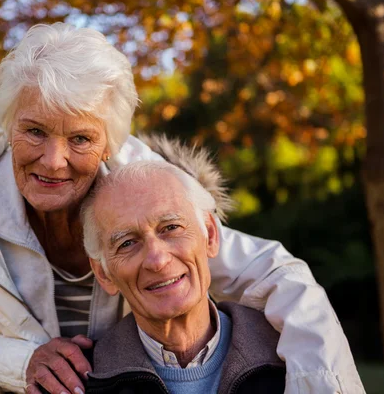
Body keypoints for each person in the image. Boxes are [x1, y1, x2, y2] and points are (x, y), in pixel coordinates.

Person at [0, 23, 364, 394]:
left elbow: (281, 277)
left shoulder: (150, 195)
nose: (53, 161)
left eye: (80, 138)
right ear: (8, 125)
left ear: (109, 144)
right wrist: (20, 359)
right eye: (34, 132)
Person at [80, 160, 289, 394]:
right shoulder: (75, 383)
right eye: (127, 243)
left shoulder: (293, 357)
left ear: (210, 235)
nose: (157, 260)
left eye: (171, 228)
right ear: (103, 273)